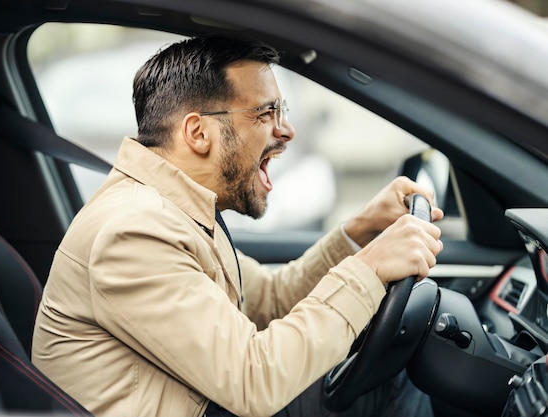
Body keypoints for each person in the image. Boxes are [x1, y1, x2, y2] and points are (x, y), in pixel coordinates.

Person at [31, 33, 444, 417]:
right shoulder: (134, 233)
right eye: (266, 112)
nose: (287, 130)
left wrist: (358, 232)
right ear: (198, 133)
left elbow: (270, 299)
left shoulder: (178, 213)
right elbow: (254, 381)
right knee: (391, 387)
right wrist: (370, 270)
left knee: (387, 377)